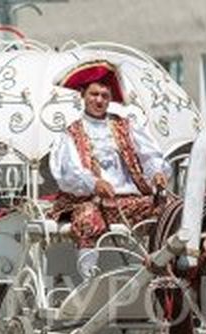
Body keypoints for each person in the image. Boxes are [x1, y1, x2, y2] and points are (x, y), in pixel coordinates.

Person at [49, 61, 170, 268]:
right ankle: (89, 274)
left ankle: (164, 265)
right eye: (94, 95)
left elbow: (149, 156)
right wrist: (93, 183)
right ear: (83, 96)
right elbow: (68, 173)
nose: (99, 100)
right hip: (90, 202)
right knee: (87, 217)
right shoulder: (71, 132)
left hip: (127, 201)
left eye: (104, 96)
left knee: (168, 208)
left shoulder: (126, 126)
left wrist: (157, 173)